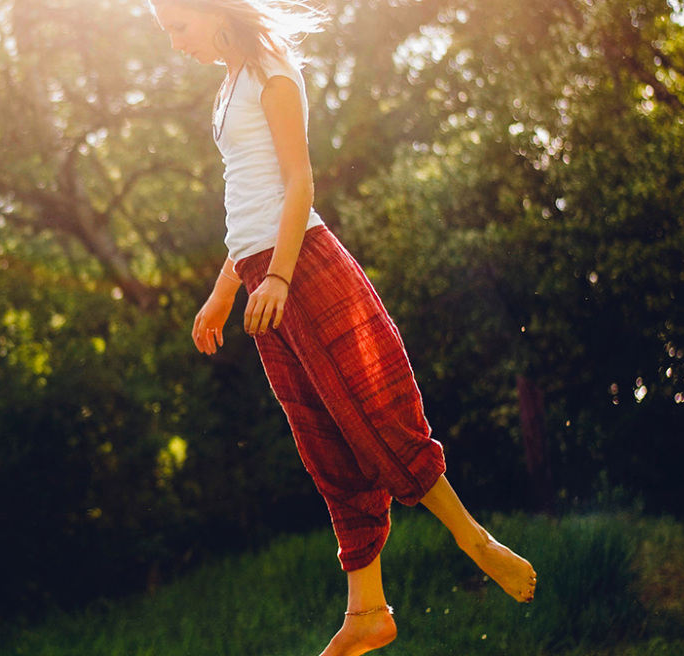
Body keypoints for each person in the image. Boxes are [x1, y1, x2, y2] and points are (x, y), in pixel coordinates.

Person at [148, 1, 537, 654]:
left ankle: (473, 536)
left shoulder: (272, 68)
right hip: (259, 273)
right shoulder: (229, 86)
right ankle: (367, 609)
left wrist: (277, 278)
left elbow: (298, 182)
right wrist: (223, 293)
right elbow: (247, 203)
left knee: (373, 408)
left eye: (178, 29)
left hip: (302, 264)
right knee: (322, 437)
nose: (175, 45)